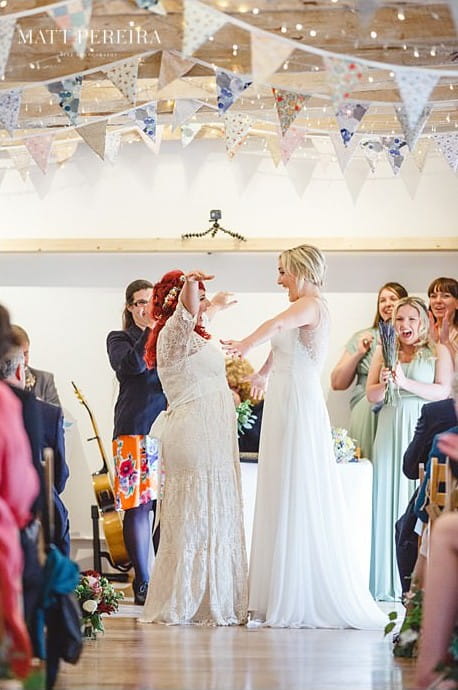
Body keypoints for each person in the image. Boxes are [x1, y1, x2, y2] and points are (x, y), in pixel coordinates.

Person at [222, 244, 385, 629]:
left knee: (296, 483)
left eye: (282, 271)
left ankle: (298, 592)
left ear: (300, 270)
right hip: (282, 396)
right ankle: (274, 591)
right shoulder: (300, 308)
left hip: (298, 401)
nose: (279, 279)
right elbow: (284, 344)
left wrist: (245, 343)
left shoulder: (311, 304)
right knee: (280, 485)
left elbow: (278, 327)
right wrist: (261, 371)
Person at [139, 270, 248, 626]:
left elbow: (198, 315)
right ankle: (187, 598)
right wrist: (190, 281)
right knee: (194, 515)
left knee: (210, 513)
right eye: (198, 297)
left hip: (211, 435)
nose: (203, 303)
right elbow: (188, 311)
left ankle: (210, 596)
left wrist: (212, 304)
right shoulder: (174, 331)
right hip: (193, 434)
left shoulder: (193, 337)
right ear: (180, 300)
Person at [367, 296, 453, 601]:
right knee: (385, 496)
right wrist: (386, 383)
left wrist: (405, 383)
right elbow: (371, 397)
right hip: (390, 427)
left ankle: (414, 585)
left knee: (413, 500)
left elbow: (443, 391)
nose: (405, 325)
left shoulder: (437, 351)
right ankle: (382, 581)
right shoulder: (384, 350)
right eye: (399, 319)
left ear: (423, 322)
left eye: (412, 319)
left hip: (422, 429)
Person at [106, 279, 167, 605]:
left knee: (166, 508)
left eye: (150, 302)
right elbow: (133, 365)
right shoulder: (120, 338)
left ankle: (161, 575)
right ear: (130, 307)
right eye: (140, 302)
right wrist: (148, 331)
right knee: (139, 507)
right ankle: (142, 580)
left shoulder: (167, 338)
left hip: (167, 431)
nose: (146, 308)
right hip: (134, 430)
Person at [330, 282, 408, 459]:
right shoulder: (365, 337)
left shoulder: (412, 338)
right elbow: (336, 383)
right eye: (382, 300)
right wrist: (358, 353)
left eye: (393, 299)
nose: (387, 304)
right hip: (367, 404)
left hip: (400, 407)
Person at [395, 396, 457, 594]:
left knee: (407, 528)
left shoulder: (436, 413)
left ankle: (414, 603)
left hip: (443, 513)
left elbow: (411, 469)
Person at [12, 325, 61, 406]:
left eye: (25, 353)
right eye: (18, 356)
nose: (23, 360)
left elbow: (58, 417)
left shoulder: (45, 380)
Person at [225, 357, 264, 454]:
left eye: (232, 387)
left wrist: (237, 410)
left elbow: (251, 444)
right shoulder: (221, 409)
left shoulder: (261, 408)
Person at [427, 276, 458, 369]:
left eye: (446, 296)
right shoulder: (421, 331)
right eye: (433, 296)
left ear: (457, 303)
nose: (438, 301)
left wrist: (445, 342)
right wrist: (432, 343)